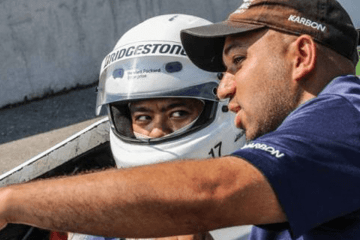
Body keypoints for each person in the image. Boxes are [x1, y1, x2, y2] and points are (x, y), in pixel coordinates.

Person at [0, 0, 359, 239]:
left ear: (301, 56)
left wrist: (9, 202)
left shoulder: (347, 115)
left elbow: (210, 192)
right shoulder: (306, 162)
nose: (223, 88)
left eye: (237, 62)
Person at [62, 14, 246, 240]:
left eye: (178, 114)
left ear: (224, 107)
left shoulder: (269, 208)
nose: (157, 130)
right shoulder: (98, 222)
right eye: (143, 117)